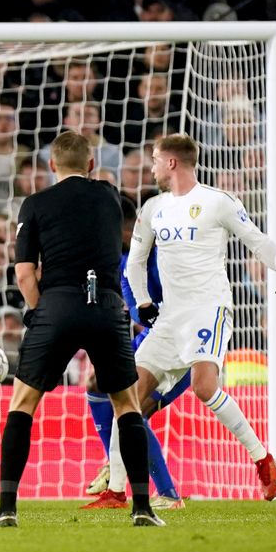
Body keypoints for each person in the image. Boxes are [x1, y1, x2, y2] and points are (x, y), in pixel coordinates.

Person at [111, 134, 276, 502]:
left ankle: (262, 459)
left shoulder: (217, 202)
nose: (150, 167)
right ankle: (117, 491)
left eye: (154, 159)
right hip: (169, 318)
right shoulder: (152, 208)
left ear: (172, 163)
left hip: (209, 309)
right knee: (128, 396)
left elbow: (256, 239)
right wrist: (146, 302)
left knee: (203, 387)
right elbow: (134, 261)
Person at [0, 131, 161, 528]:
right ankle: (142, 508)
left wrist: (38, 311)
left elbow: (24, 273)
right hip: (106, 304)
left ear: (51, 166)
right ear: (90, 165)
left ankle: (7, 509)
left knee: (23, 403)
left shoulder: (35, 204)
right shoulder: (109, 197)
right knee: (127, 405)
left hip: (59, 304)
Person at [84, 195, 186, 510]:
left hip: (184, 342)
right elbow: (135, 315)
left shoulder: (166, 253)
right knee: (97, 384)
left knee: (131, 408)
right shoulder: (125, 260)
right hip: (152, 340)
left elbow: (153, 316)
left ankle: (166, 493)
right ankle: (112, 463)